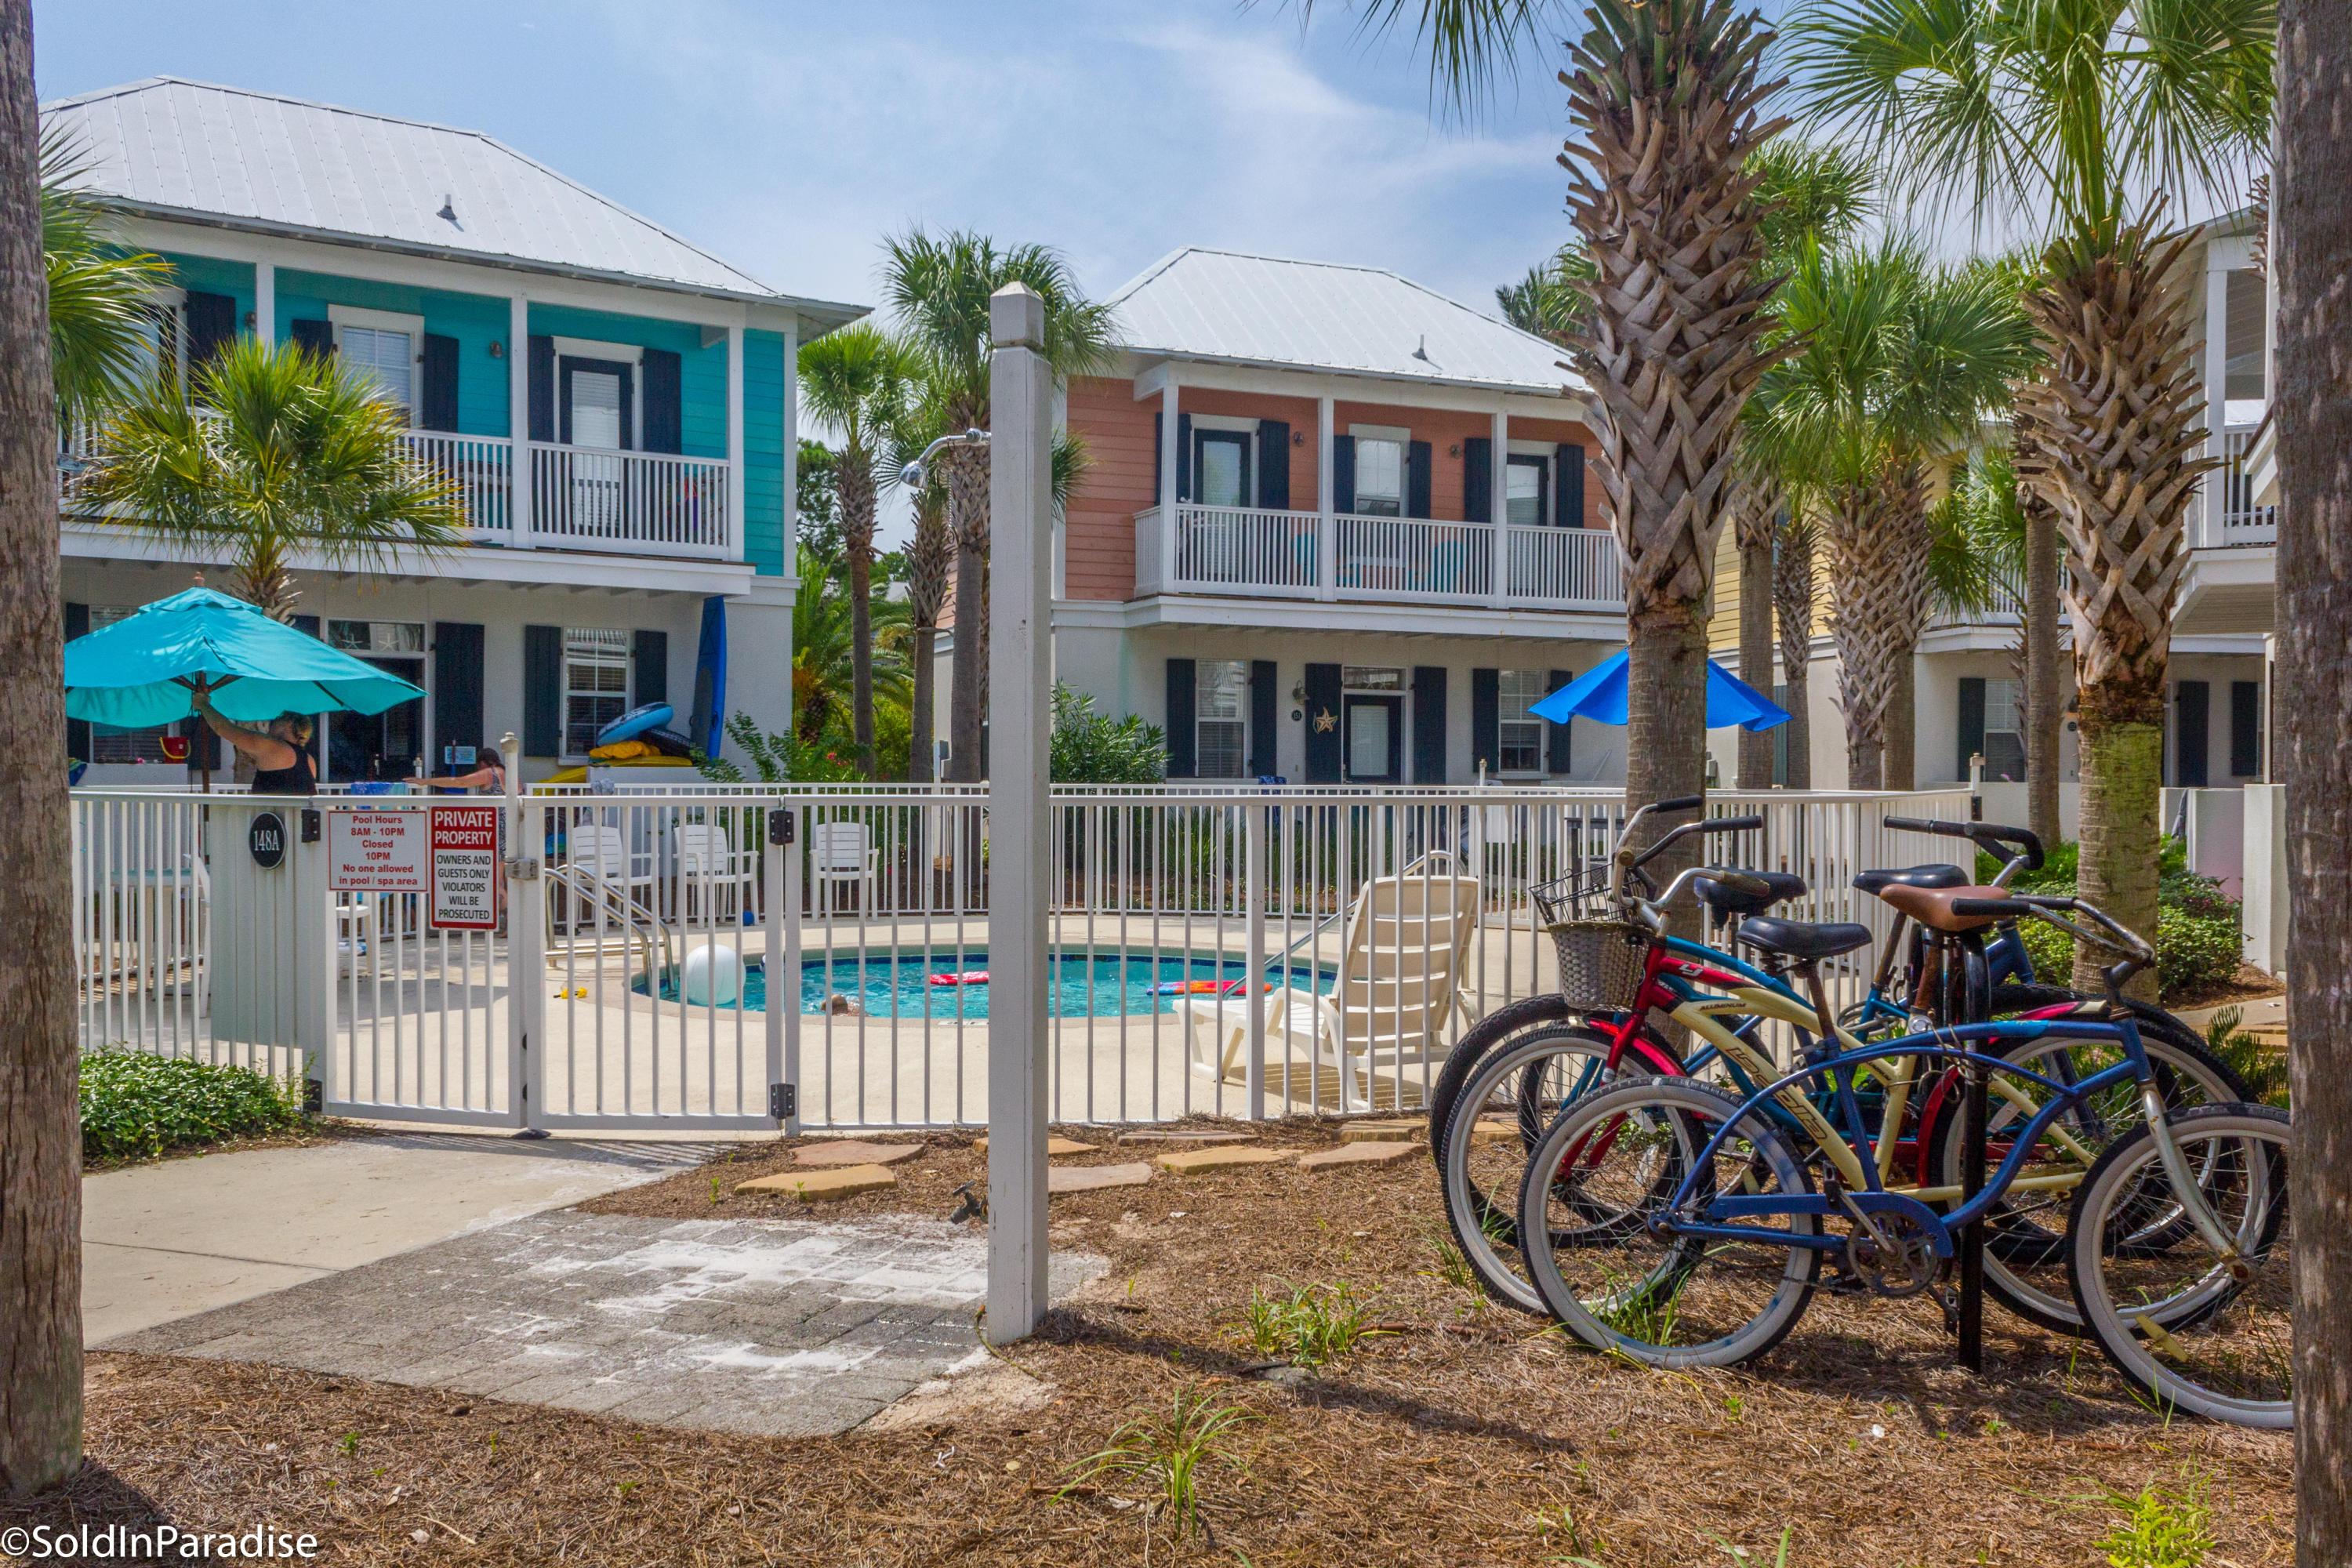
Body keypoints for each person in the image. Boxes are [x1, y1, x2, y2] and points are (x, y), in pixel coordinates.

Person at [191, 693, 315, 794]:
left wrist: (203, 704)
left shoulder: (272, 746)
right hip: (305, 820)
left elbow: (223, 728)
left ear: (288, 723)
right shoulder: (309, 759)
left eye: (278, 718)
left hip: (276, 820)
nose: (273, 721)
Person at [408, 746, 506, 795]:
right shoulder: (505, 772)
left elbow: (458, 782)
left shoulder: (489, 773)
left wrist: (425, 781)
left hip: (498, 825)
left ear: (482, 763)